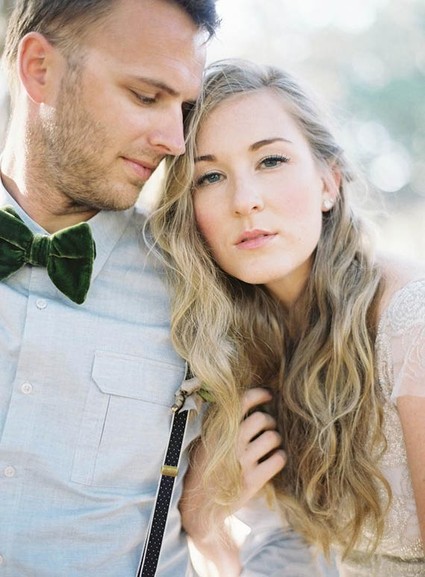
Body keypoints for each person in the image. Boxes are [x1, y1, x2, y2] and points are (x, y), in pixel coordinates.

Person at [148, 59, 425, 576]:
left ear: (328, 182)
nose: (245, 201)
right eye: (210, 176)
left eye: (271, 161)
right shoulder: (233, 346)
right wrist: (204, 523)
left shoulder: (412, 322)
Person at [0, 1, 221, 575]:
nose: (175, 140)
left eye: (185, 109)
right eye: (146, 97)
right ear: (40, 69)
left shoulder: (204, 293)